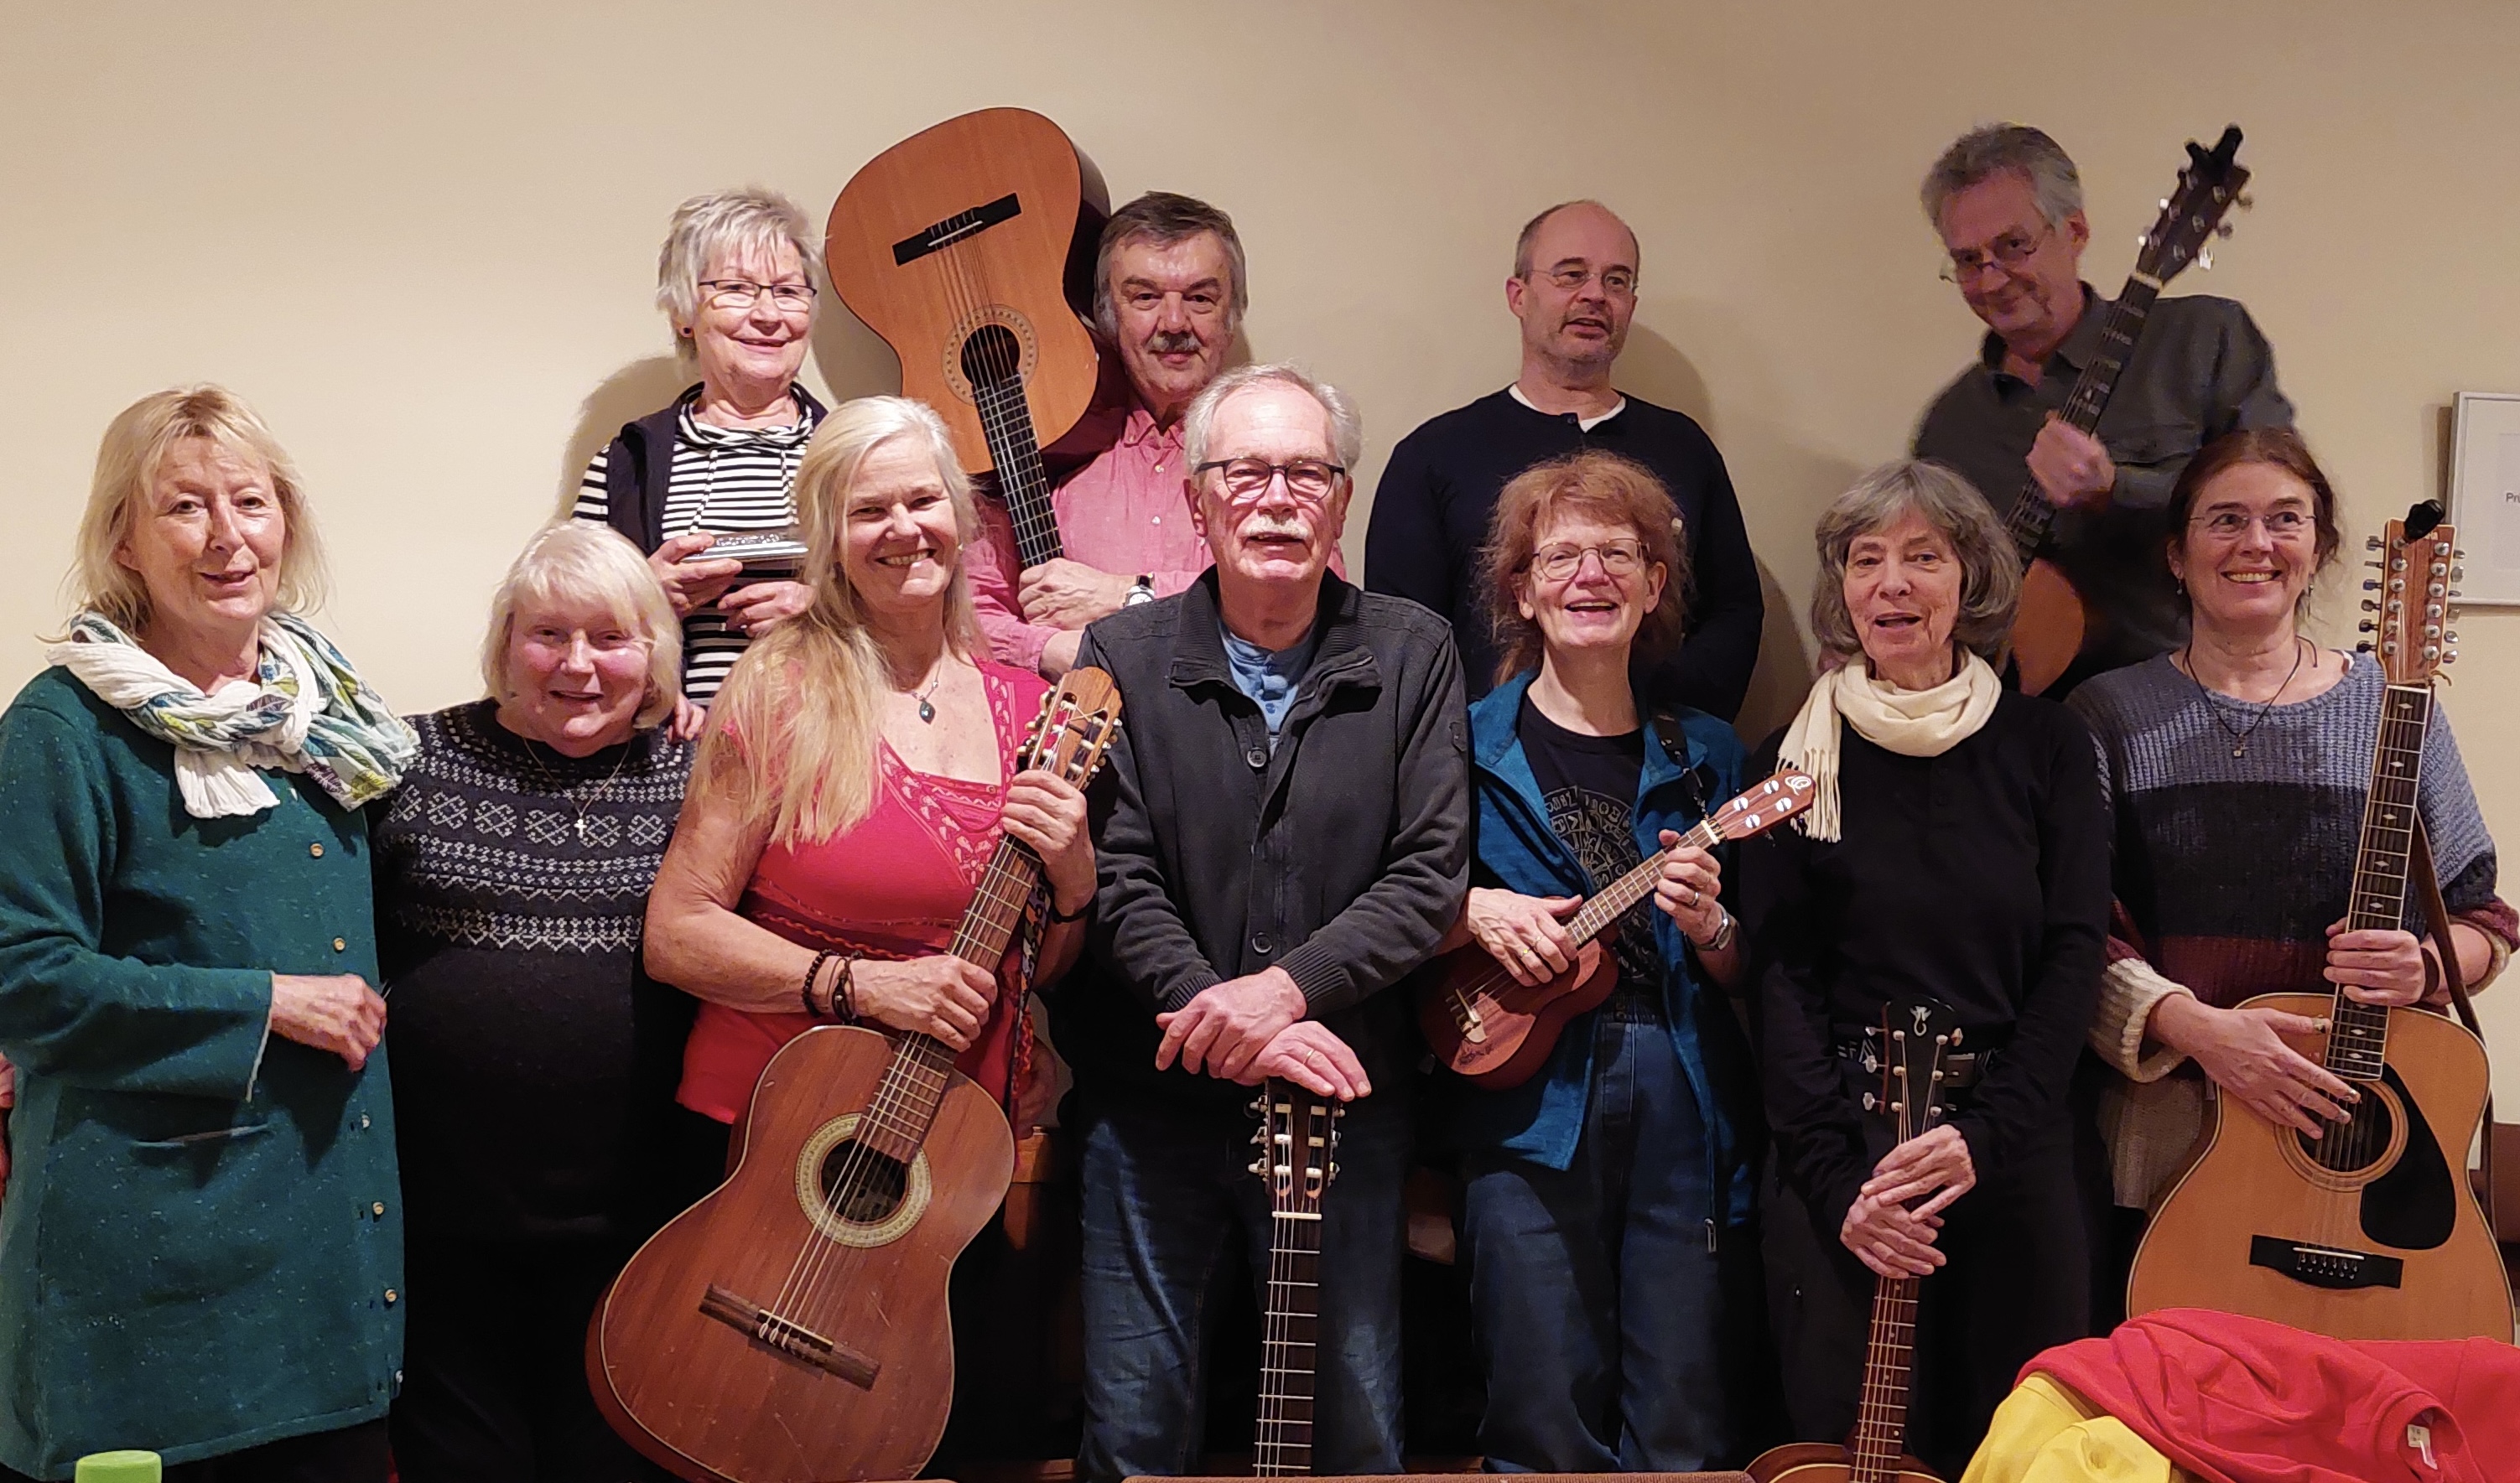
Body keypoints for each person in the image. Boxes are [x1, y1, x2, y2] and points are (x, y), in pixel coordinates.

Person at [0, 386, 416, 1482]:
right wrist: (265, 1002)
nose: (229, 536)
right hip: (154, 1278)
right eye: (186, 507)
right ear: (124, 541)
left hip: (327, 1257)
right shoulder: (63, 729)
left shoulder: (326, 717)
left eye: (252, 501)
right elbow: (24, 982)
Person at [1063, 364, 1469, 1480]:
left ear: (1342, 499)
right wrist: (1219, 1012)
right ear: (1198, 499)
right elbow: (1115, 877)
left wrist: (1276, 997)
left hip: (1346, 1108)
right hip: (1154, 1110)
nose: (1276, 498)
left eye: (1306, 472)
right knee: (1136, 1429)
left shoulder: (1413, 652)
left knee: (1354, 1427)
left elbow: (1429, 873)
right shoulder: (1122, 658)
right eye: (1245, 472)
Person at [2065, 428, 2516, 1307]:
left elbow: (2486, 920)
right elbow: (2073, 931)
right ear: (2176, 550)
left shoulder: (2397, 707)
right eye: (2223, 519)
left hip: (2361, 1136)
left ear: (2317, 550)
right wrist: (2198, 1031)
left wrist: (2423, 962)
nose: (2254, 543)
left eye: (2283, 519)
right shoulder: (2106, 712)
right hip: (2168, 1132)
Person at [640, 391, 1094, 1226]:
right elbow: (675, 932)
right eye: (867, 510)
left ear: (960, 520)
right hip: (772, 1135)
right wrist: (866, 986)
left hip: (946, 1147)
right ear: (829, 540)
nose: (902, 528)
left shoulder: (1034, 708)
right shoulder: (781, 689)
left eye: (923, 500)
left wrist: (1073, 882)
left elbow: (1032, 964)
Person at [1738, 459, 2108, 1478]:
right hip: (1844, 1159)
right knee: (1849, 1446)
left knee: (2013, 1448)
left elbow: (2075, 951)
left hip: (2015, 1147)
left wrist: (1983, 1137)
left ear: (1970, 581)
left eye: (1921, 557)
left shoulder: (2047, 746)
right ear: (1841, 588)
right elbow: (1776, 979)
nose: (1891, 583)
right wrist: (1838, 1184)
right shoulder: (1789, 762)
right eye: (1866, 560)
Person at [1445, 449, 1762, 1470]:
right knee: (1537, 1399)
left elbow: (1751, 965)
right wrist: (1475, 906)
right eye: (1562, 554)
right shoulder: (1455, 744)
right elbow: (1391, 901)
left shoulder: (1708, 752)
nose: (1590, 575)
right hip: (1520, 1087)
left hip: (1680, 1076)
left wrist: (1710, 924)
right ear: (1522, 590)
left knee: (1682, 1401)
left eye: (1617, 553)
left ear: (1655, 583)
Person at [377, 522, 694, 1481]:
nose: (579, 665)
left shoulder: (697, 773)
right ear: (506, 641)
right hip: (441, 1231)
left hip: (640, 1234)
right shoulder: (409, 763)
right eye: (548, 634)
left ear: (656, 653)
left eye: (611, 638)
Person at [1913, 124, 2294, 692]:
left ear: (2074, 231)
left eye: (2012, 245)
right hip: (2025, 730)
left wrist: (2115, 488)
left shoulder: (2203, 339)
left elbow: (2279, 508)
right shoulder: (1950, 428)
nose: (1991, 279)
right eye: (1967, 260)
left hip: (2196, 701)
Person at [1366, 200, 1764, 717]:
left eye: (1617, 281)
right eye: (1571, 274)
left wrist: (1668, 714)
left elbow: (1733, 612)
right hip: (1480, 774)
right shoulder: (1433, 456)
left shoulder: (1683, 449)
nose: (1595, 295)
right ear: (1519, 295)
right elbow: (1401, 637)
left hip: (1659, 759)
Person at [967, 191, 1274, 681]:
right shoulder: (1040, 439)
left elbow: (1303, 595)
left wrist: (1124, 596)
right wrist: (1049, 649)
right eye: (1145, 297)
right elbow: (968, 610)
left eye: (1199, 298)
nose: (1174, 324)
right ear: (1107, 314)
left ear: (1231, 314)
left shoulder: (1272, 447)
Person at [574, 186, 828, 705]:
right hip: (670, 754)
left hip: (837, 739)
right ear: (684, 313)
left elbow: (928, 607)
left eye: (788, 291)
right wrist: (642, 597)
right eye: (737, 288)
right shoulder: (627, 463)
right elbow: (566, 622)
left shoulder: (856, 453)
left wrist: (827, 610)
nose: (767, 314)